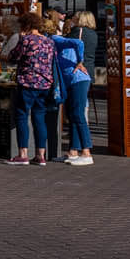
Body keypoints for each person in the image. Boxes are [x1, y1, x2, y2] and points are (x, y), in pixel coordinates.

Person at [5, 12, 56, 165]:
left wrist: (21, 38)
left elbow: (13, 57)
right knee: (39, 118)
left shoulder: (26, 40)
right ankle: (41, 155)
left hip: (27, 83)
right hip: (45, 84)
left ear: (26, 25)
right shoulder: (49, 42)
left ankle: (23, 153)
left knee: (21, 116)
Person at [51, 19, 94, 165]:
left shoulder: (55, 39)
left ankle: (87, 152)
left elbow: (79, 43)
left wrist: (81, 61)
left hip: (78, 80)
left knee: (77, 114)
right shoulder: (60, 41)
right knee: (72, 115)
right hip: (71, 81)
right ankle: (73, 151)